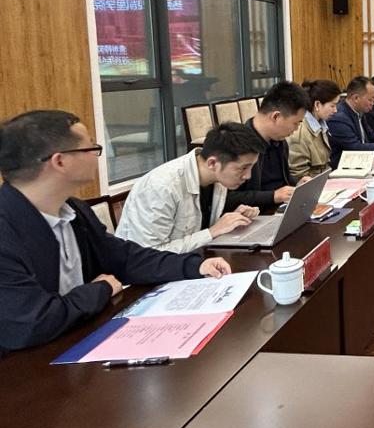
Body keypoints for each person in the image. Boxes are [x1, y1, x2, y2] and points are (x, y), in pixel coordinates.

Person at [0, 110, 231, 353]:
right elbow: (32, 323)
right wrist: (101, 289)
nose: (97, 154)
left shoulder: (74, 210)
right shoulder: (6, 229)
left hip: (77, 339)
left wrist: (194, 266)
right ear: (60, 161)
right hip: (25, 365)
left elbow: (125, 258)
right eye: (90, 148)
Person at [118, 123, 264, 253]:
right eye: (243, 168)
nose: (248, 176)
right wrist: (213, 231)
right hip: (146, 271)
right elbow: (149, 255)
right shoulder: (161, 187)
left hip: (191, 261)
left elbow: (197, 226)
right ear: (212, 163)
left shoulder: (217, 179)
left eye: (251, 167)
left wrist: (232, 220)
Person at [226, 81, 310, 209]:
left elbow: (281, 179)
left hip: (281, 209)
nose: (296, 129)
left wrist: (297, 184)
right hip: (256, 215)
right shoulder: (237, 145)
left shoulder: (279, 142)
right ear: (276, 117)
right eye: (295, 123)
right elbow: (226, 199)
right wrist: (273, 196)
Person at [287, 79, 342, 180]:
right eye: (332, 105)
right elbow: (299, 174)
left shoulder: (321, 124)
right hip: (312, 185)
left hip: (324, 181)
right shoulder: (299, 131)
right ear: (317, 105)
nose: (335, 110)